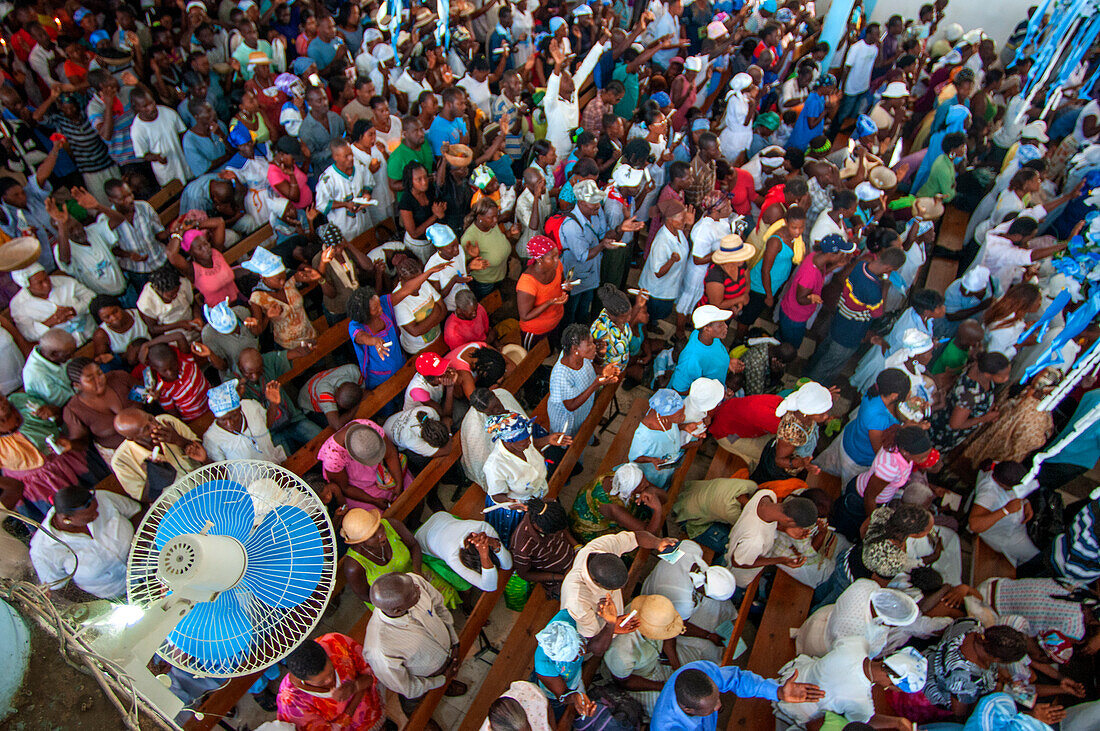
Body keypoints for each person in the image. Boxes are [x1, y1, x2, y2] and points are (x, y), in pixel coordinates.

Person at [361, 572, 467, 714]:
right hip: (425, 679)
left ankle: (447, 686)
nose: (418, 589)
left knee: (449, 676)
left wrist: (454, 641)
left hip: (447, 655)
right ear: (398, 610)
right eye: (414, 594)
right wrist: (440, 679)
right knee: (417, 706)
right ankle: (421, 719)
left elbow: (439, 606)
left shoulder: (411, 582)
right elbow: (406, 687)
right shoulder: (380, 648)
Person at [773, 641, 927, 729]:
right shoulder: (861, 703)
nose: (896, 691)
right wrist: (898, 722)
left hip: (794, 675)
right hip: (796, 705)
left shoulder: (858, 643)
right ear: (892, 682)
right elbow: (860, 725)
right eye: (898, 689)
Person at [560, 529, 676, 638]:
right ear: (597, 582)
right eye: (612, 588)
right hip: (599, 633)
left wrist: (657, 542)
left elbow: (636, 537)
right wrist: (612, 626)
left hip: (612, 622)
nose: (622, 588)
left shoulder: (602, 547)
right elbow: (591, 639)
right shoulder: (577, 600)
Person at [28, 485, 139, 599]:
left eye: (96, 509)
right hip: (120, 594)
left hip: (149, 561)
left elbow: (136, 512)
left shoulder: (101, 498)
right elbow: (59, 589)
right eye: (90, 517)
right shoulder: (43, 550)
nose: (96, 514)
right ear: (67, 519)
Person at [650, 660, 825, 731]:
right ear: (687, 709)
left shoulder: (699, 670)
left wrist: (776, 691)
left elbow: (737, 679)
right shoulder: (667, 727)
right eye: (712, 707)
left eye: (717, 697)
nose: (719, 706)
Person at [338, 506, 459, 610]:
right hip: (391, 600)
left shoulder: (391, 525)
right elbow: (366, 595)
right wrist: (399, 601)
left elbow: (414, 545)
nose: (382, 535)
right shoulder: (354, 566)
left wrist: (417, 572)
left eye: (379, 526)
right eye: (373, 535)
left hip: (415, 572)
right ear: (360, 543)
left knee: (441, 596)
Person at [640, 539, 738, 665]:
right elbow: (680, 627)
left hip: (660, 582)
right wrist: (708, 635)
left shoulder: (692, 548)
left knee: (721, 605)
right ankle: (718, 663)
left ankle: (733, 623)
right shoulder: (682, 602)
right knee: (705, 646)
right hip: (656, 607)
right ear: (705, 593)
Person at [831, 425, 933, 542]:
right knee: (848, 525)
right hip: (860, 500)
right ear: (905, 452)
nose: (925, 459)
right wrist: (873, 521)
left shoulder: (901, 448)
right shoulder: (890, 467)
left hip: (873, 496)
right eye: (922, 457)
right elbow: (870, 496)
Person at [276, 633, 385, 731]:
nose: (330, 680)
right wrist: (352, 705)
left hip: (373, 710)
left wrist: (355, 686)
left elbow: (372, 671)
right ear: (303, 680)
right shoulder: (291, 702)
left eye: (331, 672)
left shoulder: (335, 643)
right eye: (321, 682)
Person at [725, 486, 817, 587]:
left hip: (739, 545)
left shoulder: (767, 495)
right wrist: (780, 560)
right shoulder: (755, 540)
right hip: (737, 576)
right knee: (735, 587)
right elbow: (738, 563)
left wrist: (783, 528)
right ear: (789, 521)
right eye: (796, 526)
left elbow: (763, 522)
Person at [111, 407, 206, 502]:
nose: (154, 426)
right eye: (146, 428)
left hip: (205, 487)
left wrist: (178, 440)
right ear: (132, 438)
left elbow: (202, 452)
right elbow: (145, 498)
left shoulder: (167, 422)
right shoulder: (121, 461)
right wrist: (153, 477)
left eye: (150, 418)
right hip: (176, 507)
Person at [751, 381, 834, 484]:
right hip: (779, 471)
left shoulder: (805, 412)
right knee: (766, 484)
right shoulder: (793, 433)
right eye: (822, 414)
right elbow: (779, 460)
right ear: (806, 413)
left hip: (795, 459)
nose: (826, 416)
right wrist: (801, 463)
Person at [320, 419, 410, 511]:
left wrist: (399, 483)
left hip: (379, 471)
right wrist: (374, 500)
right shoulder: (333, 457)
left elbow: (390, 455)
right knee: (378, 516)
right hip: (356, 487)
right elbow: (345, 488)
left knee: (410, 491)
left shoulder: (368, 429)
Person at [929, 351, 1011, 453]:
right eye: (1003, 376)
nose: (1007, 378)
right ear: (988, 374)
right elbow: (955, 424)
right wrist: (984, 418)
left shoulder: (977, 367)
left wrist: (988, 407)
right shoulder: (971, 395)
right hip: (943, 433)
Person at [414, 511, 514, 593]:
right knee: (464, 585)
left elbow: (508, 565)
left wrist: (495, 544)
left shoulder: (483, 528)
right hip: (421, 540)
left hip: (440, 517)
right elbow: (490, 587)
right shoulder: (453, 556)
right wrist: (484, 556)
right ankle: (466, 607)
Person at [243, 247, 320, 350]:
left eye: (283, 277)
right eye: (278, 279)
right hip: (288, 346)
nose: (282, 282)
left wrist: (315, 272)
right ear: (265, 278)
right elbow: (258, 330)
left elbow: (314, 277)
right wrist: (268, 317)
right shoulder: (258, 297)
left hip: (310, 335)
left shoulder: (289, 280)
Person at [570, 462, 666, 543]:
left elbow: (665, 497)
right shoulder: (614, 508)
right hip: (588, 528)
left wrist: (651, 489)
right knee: (634, 544)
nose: (647, 484)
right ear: (630, 491)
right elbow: (649, 535)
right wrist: (658, 509)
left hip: (605, 509)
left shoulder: (622, 477)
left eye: (645, 481)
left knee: (645, 513)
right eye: (642, 486)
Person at [550, 324, 616, 438]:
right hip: (568, 419)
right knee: (572, 439)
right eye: (590, 344)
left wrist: (603, 368)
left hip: (584, 407)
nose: (594, 346)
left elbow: (591, 367)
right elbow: (570, 406)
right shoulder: (561, 375)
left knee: (584, 426)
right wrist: (595, 385)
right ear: (575, 349)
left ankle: (586, 436)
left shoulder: (578, 356)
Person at [62, 357, 133, 463]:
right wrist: (70, 445)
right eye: (90, 379)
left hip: (149, 436)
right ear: (77, 385)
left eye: (99, 373)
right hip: (121, 456)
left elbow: (144, 394)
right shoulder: (74, 410)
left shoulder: (119, 378)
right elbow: (82, 442)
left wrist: (152, 395)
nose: (99, 380)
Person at [9, 263, 95, 345]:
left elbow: (91, 296)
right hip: (65, 348)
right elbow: (29, 335)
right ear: (27, 286)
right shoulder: (18, 305)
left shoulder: (63, 281)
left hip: (92, 332)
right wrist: (51, 321)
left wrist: (75, 310)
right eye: (40, 283)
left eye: (46, 278)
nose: (46, 284)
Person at [201, 379, 285, 463]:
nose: (230, 423)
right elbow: (220, 471)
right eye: (223, 420)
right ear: (215, 417)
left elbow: (266, 426)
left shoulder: (250, 406)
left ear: (240, 408)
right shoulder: (212, 438)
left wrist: (273, 404)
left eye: (234, 416)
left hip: (273, 464)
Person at [510, 496, 578, 599]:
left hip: (574, 557)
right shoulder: (523, 546)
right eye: (555, 533)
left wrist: (577, 547)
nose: (559, 534)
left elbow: (562, 527)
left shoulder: (550, 507)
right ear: (540, 529)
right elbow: (525, 574)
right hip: (557, 579)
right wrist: (562, 577)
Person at [516, 235, 566, 349]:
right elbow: (525, 316)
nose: (556, 260)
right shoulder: (527, 284)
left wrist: (565, 286)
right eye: (552, 257)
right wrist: (550, 302)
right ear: (539, 259)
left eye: (557, 256)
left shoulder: (557, 266)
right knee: (533, 359)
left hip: (555, 321)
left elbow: (561, 283)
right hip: (535, 331)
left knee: (549, 350)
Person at [629, 389, 686, 489]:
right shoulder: (645, 434)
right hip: (654, 473)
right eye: (679, 415)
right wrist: (652, 460)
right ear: (666, 414)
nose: (684, 417)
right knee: (658, 486)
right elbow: (634, 457)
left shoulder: (666, 413)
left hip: (668, 463)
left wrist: (686, 427)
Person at [22, 329, 79, 407]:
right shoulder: (38, 375)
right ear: (54, 355)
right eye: (68, 355)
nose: (72, 357)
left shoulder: (50, 352)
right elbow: (67, 401)